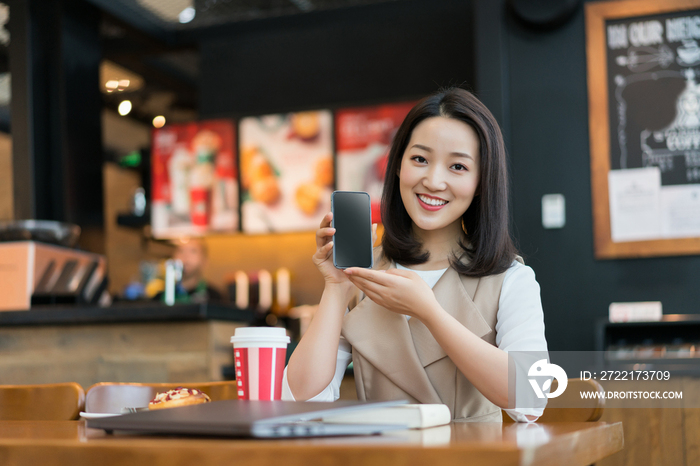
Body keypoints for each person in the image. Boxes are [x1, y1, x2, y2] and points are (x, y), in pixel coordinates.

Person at [282, 88, 547, 422]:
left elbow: (530, 400)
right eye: (420, 159)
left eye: (458, 167)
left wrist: (429, 312)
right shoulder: (362, 271)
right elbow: (299, 401)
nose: (434, 181)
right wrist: (336, 288)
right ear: (397, 166)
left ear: (481, 181)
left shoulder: (511, 279)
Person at [150, 238, 223, 303]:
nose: (185, 256)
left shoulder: (215, 298)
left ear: (204, 261)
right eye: (181, 251)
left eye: (193, 251)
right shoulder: (160, 298)